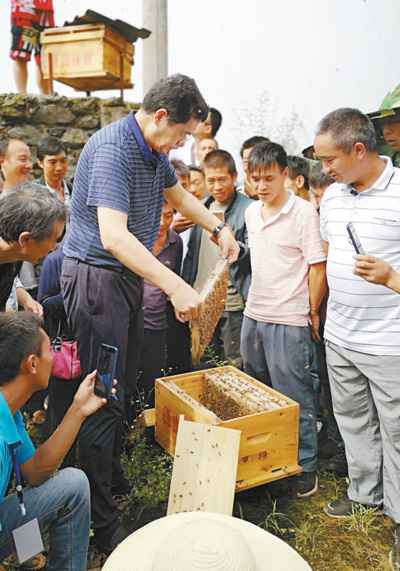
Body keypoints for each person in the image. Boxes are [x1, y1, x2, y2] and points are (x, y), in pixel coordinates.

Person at [61, 73, 239, 555]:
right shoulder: (113, 150)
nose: (181, 144)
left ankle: (111, 475)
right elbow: (114, 237)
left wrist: (216, 225)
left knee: (130, 378)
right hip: (97, 277)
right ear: (160, 116)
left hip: (125, 277)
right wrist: (177, 285)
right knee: (102, 390)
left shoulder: (154, 151)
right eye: (181, 134)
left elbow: (177, 195)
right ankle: (101, 521)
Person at [314, 107, 400, 570]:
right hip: (341, 335)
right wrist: (318, 307)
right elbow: (329, 255)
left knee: (398, 430)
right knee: (352, 420)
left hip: (391, 342)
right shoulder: (333, 197)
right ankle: (365, 495)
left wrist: (392, 276)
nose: (324, 169)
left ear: (359, 149)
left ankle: (399, 515)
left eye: (330, 159)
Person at [240, 141, 327, 498]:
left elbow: (317, 266)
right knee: (258, 393)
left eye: (269, 178)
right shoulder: (250, 213)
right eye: (256, 179)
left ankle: (306, 466)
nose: (262, 186)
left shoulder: (304, 213)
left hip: (290, 318)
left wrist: (312, 312)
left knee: (296, 396)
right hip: (254, 312)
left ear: (286, 175)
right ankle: (270, 459)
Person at [0, 311, 110, 570]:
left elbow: (35, 472)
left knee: (72, 485)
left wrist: (78, 410)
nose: (56, 355)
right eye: (52, 349)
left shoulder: (10, 410)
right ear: (32, 363)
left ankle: (28, 558)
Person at [183, 150, 251, 367]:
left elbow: (253, 253)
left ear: (233, 176)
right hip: (202, 296)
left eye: (222, 179)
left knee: (234, 361)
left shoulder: (248, 209)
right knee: (202, 358)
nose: (217, 186)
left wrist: (235, 247)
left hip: (232, 300)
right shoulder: (201, 208)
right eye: (211, 180)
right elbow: (193, 253)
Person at [139, 201, 183, 406]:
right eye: (157, 216)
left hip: (158, 322)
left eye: (168, 215)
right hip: (133, 321)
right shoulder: (133, 240)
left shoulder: (176, 242)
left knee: (153, 377)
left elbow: (175, 278)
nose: (162, 223)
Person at [0, 184, 66, 311]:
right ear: (25, 239)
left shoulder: (15, 253)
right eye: (54, 240)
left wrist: (26, 299)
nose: (54, 248)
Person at [10, 0, 54, 95]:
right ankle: (22, 96)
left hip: (46, 12)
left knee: (44, 58)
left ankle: (46, 97)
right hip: (25, 10)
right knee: (21, 53)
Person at [36, 136, 72, 205]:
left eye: (63, 161)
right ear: (40, 163)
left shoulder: (74, 191)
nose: (59, 168)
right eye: (52, 162)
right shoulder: (33, 194)